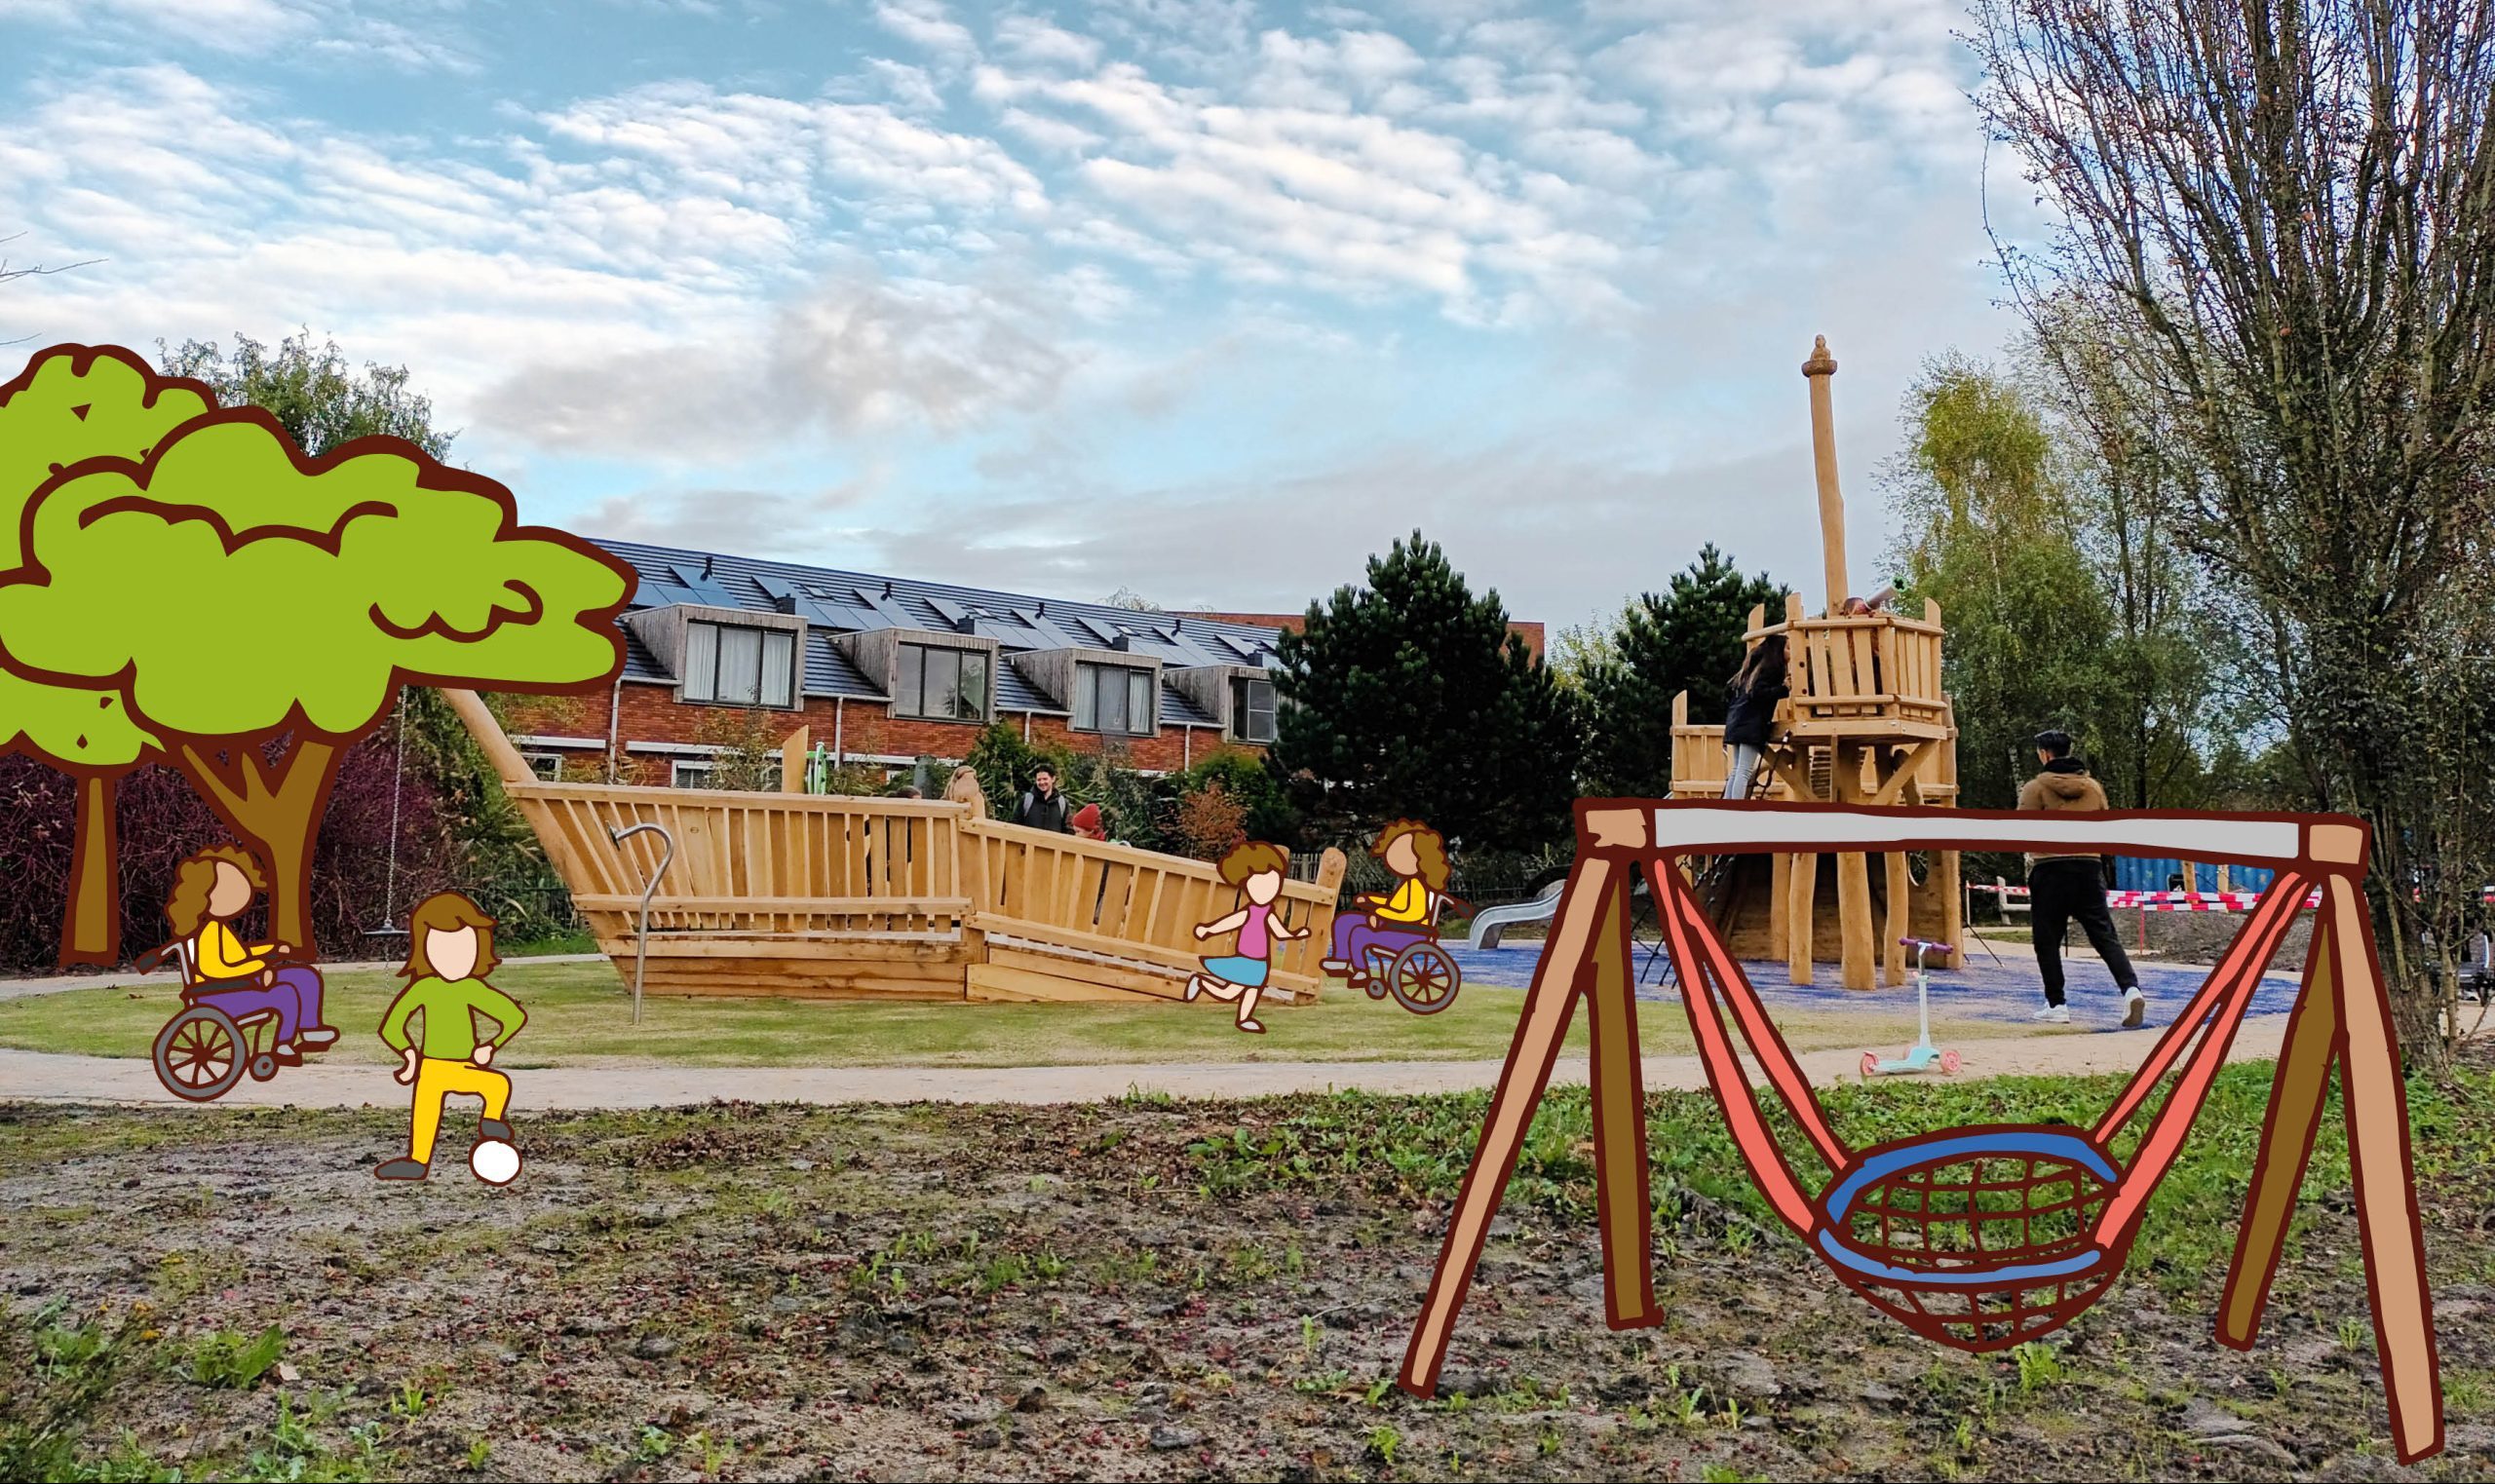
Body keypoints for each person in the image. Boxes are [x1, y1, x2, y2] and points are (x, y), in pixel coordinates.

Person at [373, 892, 526, 1181]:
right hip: (431, 1067)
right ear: (425, 949)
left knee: (497, 1084)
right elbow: (392, 1026)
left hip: (463, 1067)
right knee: (425, 1110)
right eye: (441, 948)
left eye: (463, 948)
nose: (453, 959)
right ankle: (417, 1161)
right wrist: (409, 1056)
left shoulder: (472, 988)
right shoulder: (423, 988)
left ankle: (492, 1120)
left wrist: (490, 1046)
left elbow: (513, 1016)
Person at [2018, 730, 2146, 1028]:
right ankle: (2131, 990)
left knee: (2047, 940)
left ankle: (2057, 1004)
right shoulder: (2094, 789)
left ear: (2044, 754)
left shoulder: (2035, 788)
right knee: (2104, 935)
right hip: (2089, 867)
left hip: (2049, 868)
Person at [164, 845, 336, 1066]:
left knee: (304, 976)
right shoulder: (208, 933)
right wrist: (258, 969)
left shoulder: (220, 929)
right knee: (285, 994)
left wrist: (271, 950)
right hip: (220, 993)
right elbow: (215, 969)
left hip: (237, 982)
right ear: (206, 895)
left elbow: (239, 955)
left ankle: (310, 1028)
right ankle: (283, 1045)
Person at [1188, 841, 1307, 1035]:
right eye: (1259, 885)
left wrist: (1295, 934)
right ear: (1247, 885)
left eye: (1272, 884)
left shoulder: (1268, 912)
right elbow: (1230, 922)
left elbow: (1279, 931)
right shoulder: (1250, 911)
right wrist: (1209, 929)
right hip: (1246, 959)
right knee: (1233, 992)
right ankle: (1202, 984)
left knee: (1244, 990)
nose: (1266, 890)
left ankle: (1242, 1016)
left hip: (1259, 961)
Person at [1320, 819, 1450, 991]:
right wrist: (1372, 901)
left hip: (1409, 932)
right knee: (1346, 921)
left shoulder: (1419, 886)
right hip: (1398, 925)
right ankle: (1341, 959)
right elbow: (1394, 904)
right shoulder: (1408, 884)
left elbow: (1412, 915)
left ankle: (1362, 971)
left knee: (1360, 933)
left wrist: (1380, 915)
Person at [1720, 634, 1789, 801]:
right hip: (1751, 725)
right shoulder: (1772, 670)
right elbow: (1759, 693)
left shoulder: (1751, 672)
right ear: (1778, 652)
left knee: (1737, 770)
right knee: (1744, 771)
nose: (1790, 652)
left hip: (1737, 722)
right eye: (1787, 648)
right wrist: (1784, 689)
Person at [1015, 763, 1072, 833]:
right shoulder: (1026, 800)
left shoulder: (1062, 803)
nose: (1042, 782)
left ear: (1053, 779)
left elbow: (1068, 829)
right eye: (1039, 780)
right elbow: (1015, 824)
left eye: (1045, 779)